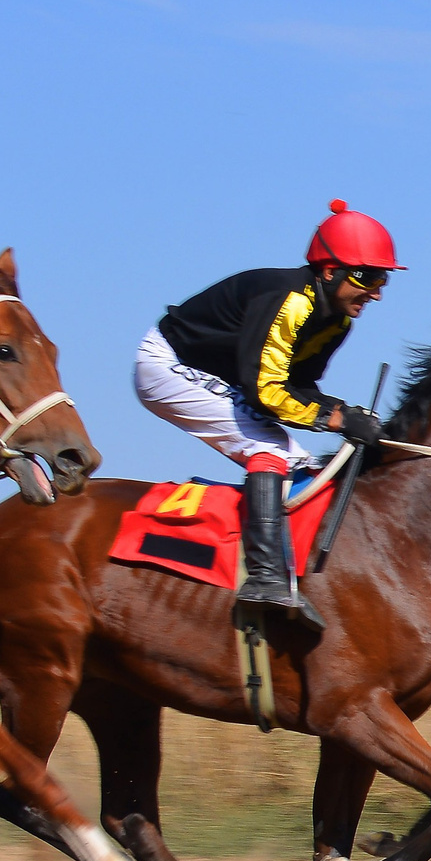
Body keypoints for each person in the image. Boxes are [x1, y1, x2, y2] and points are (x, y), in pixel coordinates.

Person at [136, 200, 400, 632]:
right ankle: (264, 578)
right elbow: (266, 392)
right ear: (329, 270)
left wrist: (344, 412)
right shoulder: (292, 301)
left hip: (222, 376)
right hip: (168, 364)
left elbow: (300, 389)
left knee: (300, 463)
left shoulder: (336, 323)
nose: (376, 292)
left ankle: (284, 573)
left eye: (383, 279)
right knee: (268, 446)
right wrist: (335, 420)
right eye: (367, 277)